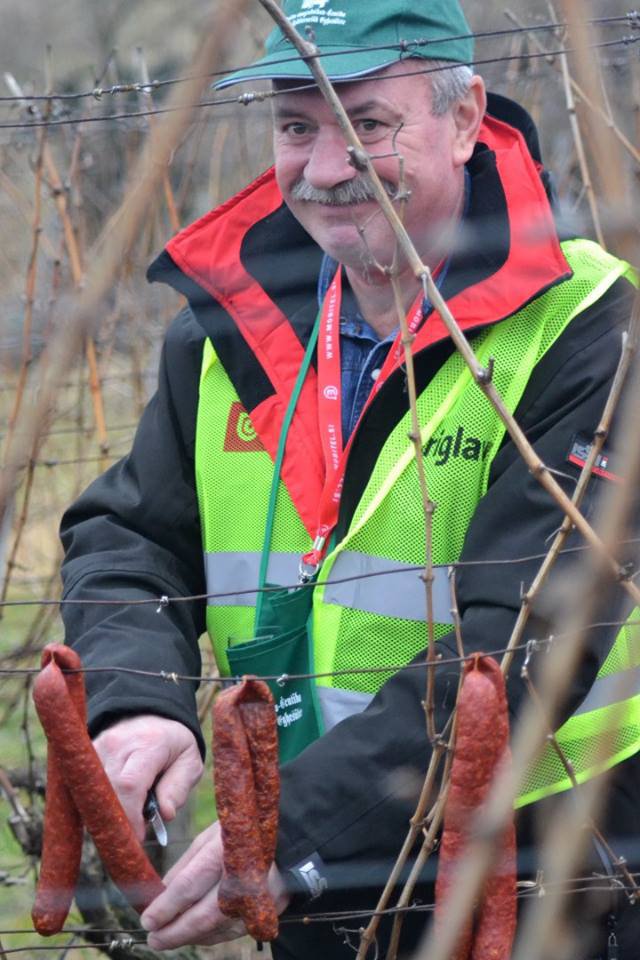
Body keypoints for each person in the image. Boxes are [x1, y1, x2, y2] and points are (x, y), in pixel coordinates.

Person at [60, 0, 640, 956]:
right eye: (296, 125)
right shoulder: (227, 319)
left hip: (551, 881)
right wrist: (134, 705)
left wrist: (299, 837)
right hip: (315, 892)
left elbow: (524, 643)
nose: (326, 170)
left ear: (464, 120)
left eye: (367, 123)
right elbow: (128, 535)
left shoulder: (591, 331)